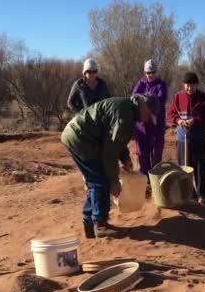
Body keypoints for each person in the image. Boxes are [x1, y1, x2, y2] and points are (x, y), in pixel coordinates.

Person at [61, 95, 160, 239]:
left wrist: (125, 158)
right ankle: (100, 225)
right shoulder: (125, 115)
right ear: (144, 107)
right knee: (100, 181)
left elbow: (116, 139)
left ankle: (89, 223)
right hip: (82, 139)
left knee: (94, 180)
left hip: (75, 135)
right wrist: (113, 180)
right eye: (149, 115)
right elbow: (110, 152)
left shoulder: (128, 109)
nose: (147, 119)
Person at [167, 72, 205, 204]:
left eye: (192, 85)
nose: (189, 88)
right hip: (183, 139)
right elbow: (170, 114)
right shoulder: (177, 97)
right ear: (184, 85)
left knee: (201, 167)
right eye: (187, 85)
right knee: (184, 168)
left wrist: (196, 120)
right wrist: (179, 121)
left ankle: (202, 195)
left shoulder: (203, 98)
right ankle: (188, 194)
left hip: (199, 138)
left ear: (196, 85)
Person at [132, 59, 168, 178]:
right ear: (144, 72)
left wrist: (144, 100)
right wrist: (149, 100)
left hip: (157, 124)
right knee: (142, 153)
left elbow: (160, 99)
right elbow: (134, 97)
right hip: (142, 126)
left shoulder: (161, 84)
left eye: (152, 72)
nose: (150, 75)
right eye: (148, 73)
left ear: (156, 72)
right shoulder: (141, 83)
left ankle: (156, 179)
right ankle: (144, 180)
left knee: (156, 152)